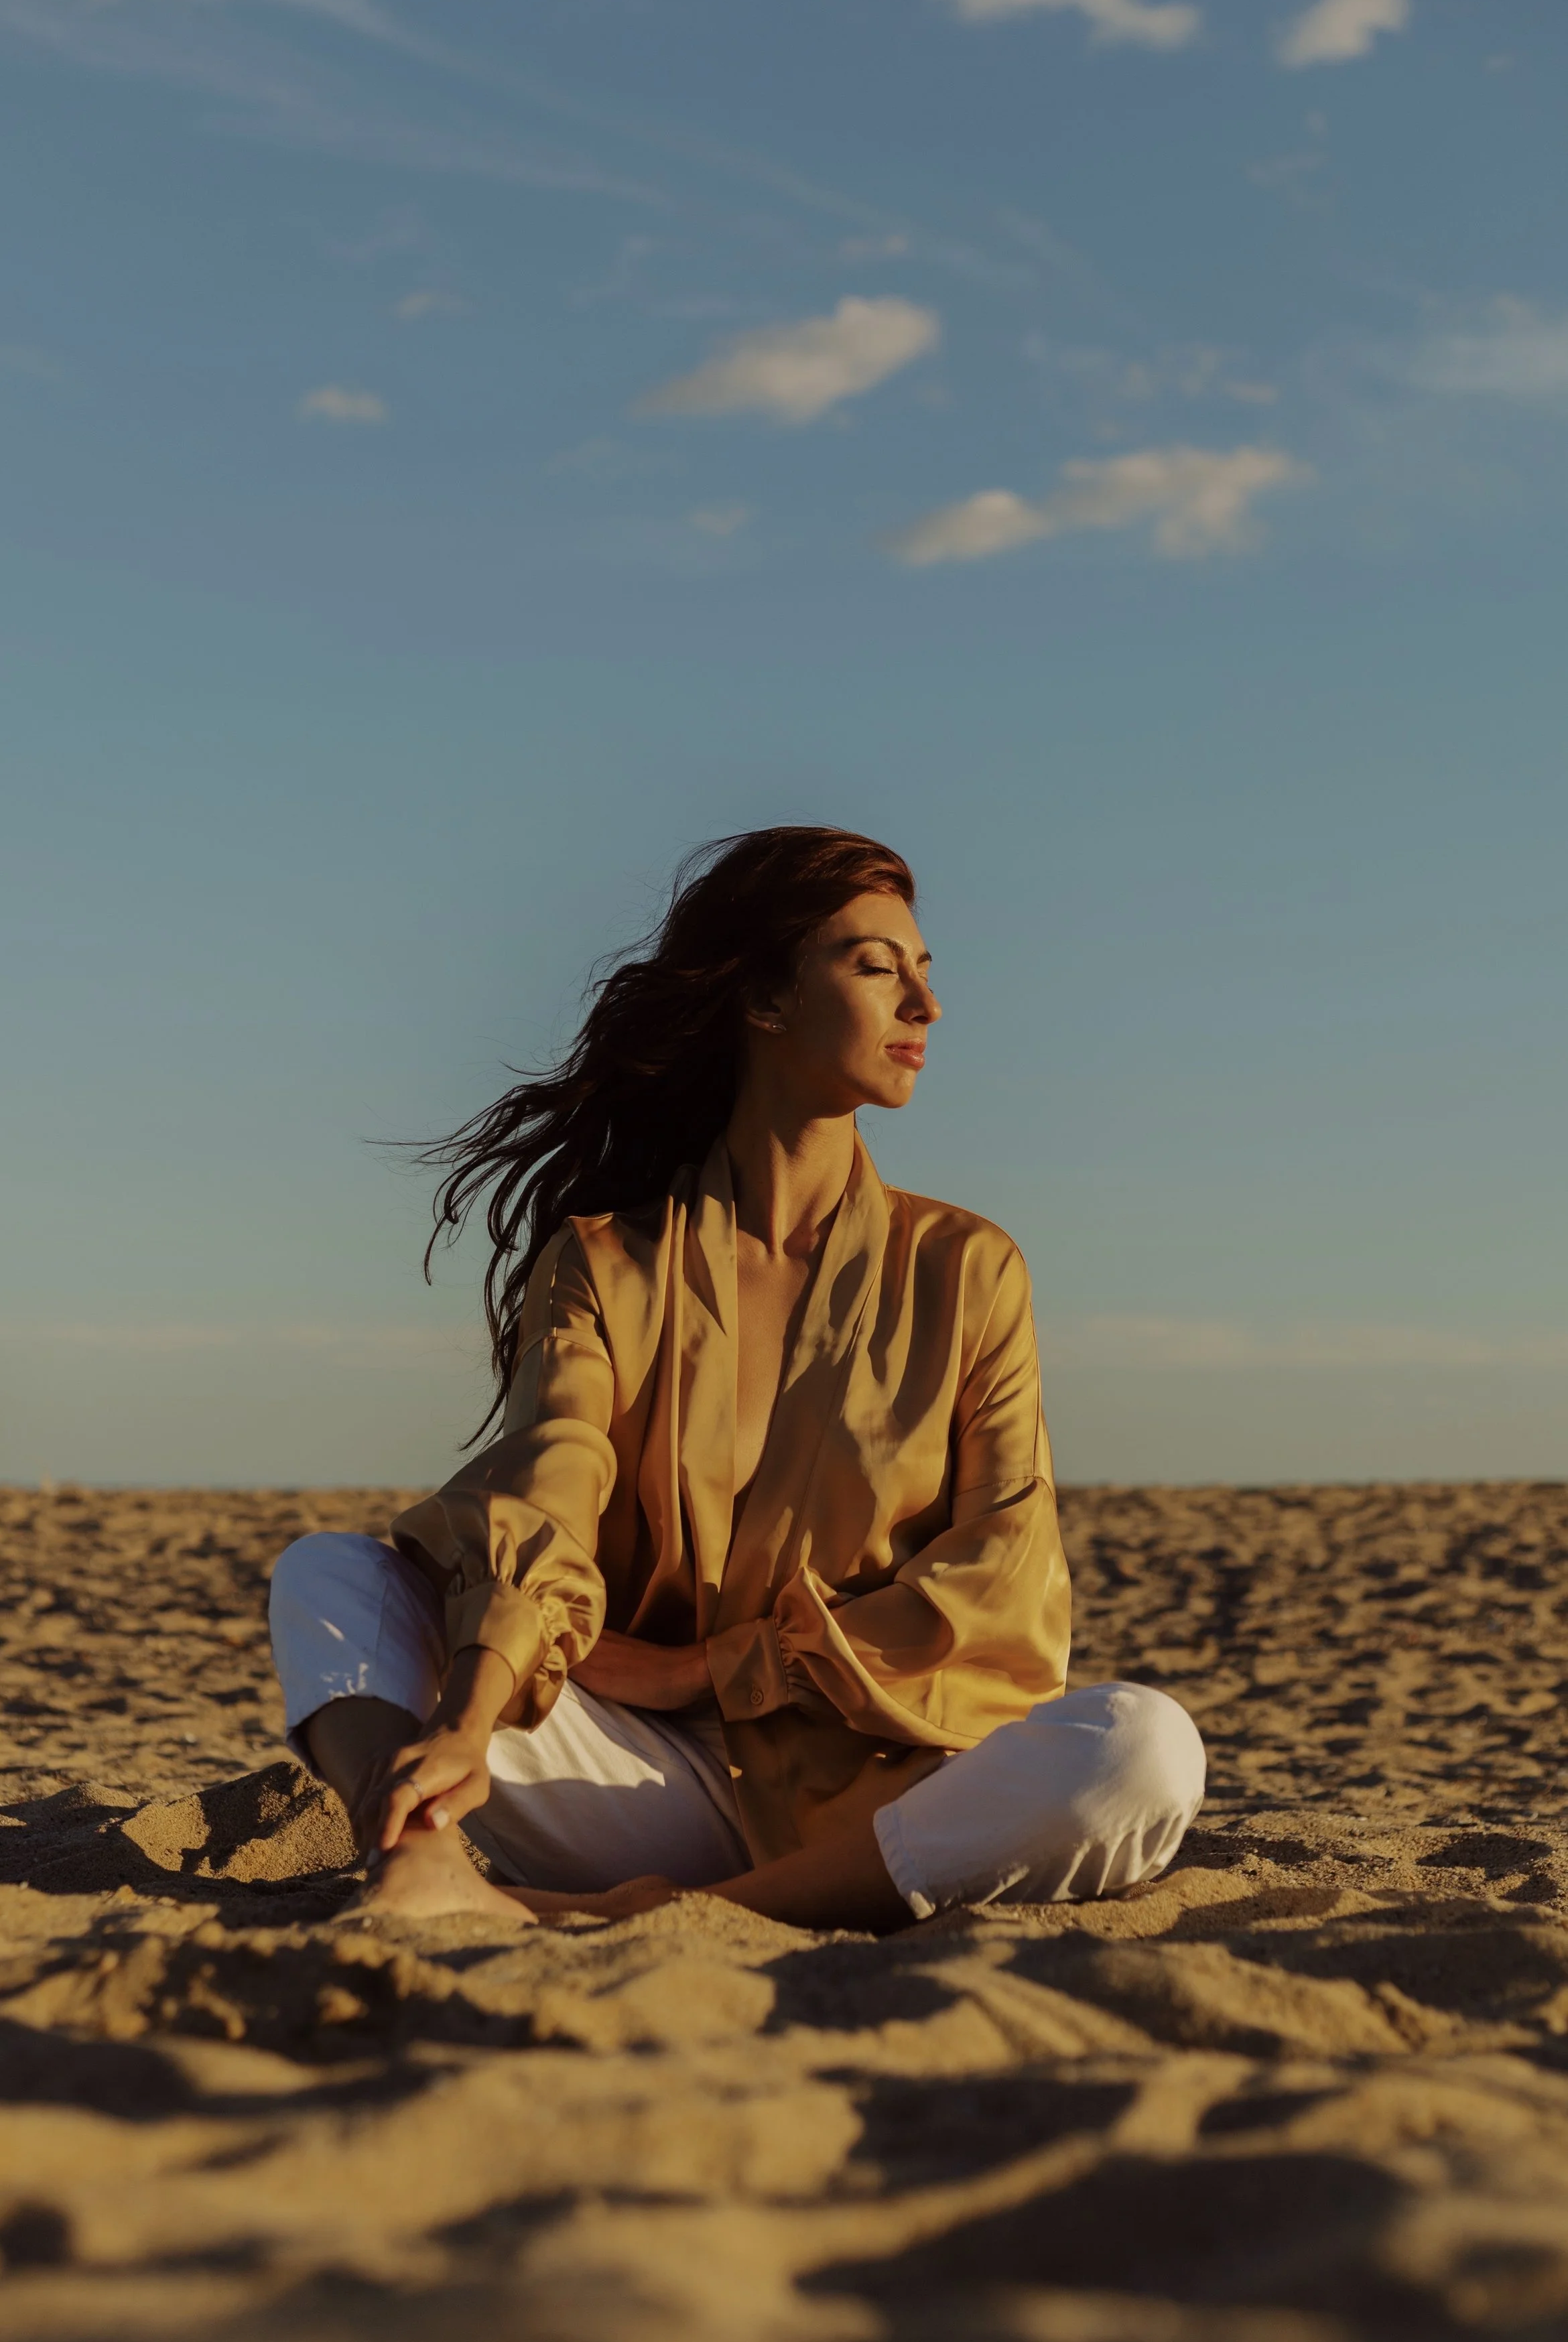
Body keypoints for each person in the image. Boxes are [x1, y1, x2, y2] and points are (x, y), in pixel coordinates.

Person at [269, 826, 1204, 1930]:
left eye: (925, 971)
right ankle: (421, 1862)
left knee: (1143, 1747)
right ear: (763, 1001)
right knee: (332, 1577)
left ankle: (672, 1912)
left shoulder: (967, 1268)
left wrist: (712, 1671)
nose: (925, 1007)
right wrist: (471, 1726)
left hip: (884, 1787)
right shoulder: (607, 1262)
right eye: (876, 966)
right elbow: (545, 1490)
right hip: (630, 1778)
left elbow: (1006, 1584)